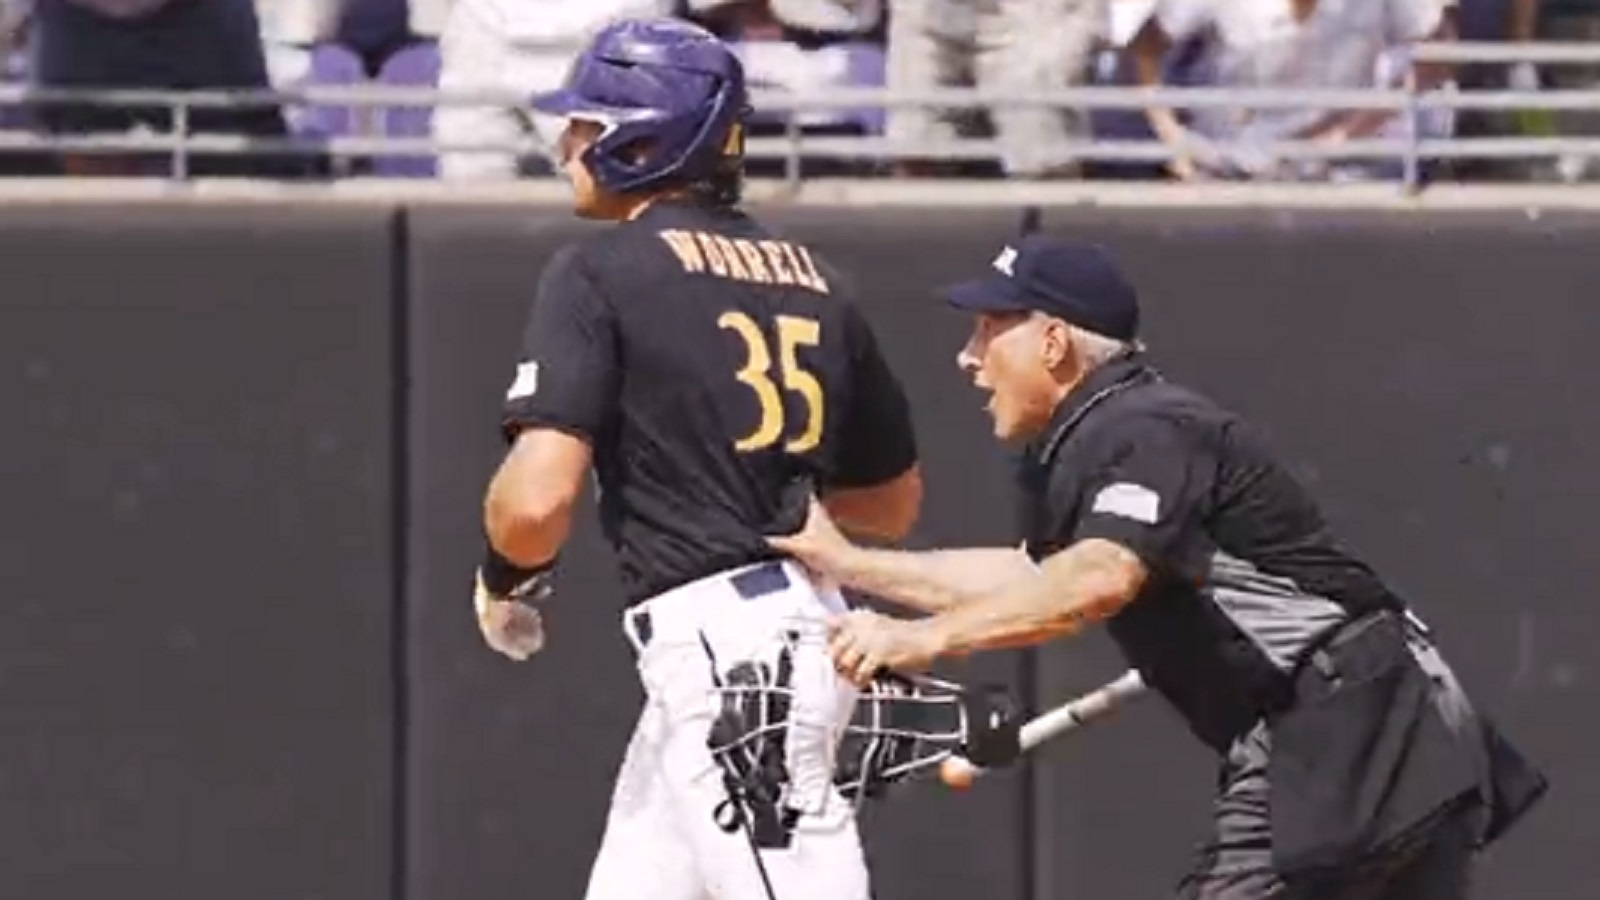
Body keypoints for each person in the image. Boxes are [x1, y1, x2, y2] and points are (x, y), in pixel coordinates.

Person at [769, 234, 1548, 899]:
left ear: (1052, 342)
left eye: (987, 331)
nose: (968, 359)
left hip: (1347, 733)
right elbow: (1037, 578)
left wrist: (921, 640)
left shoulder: (1141, 428)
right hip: (1395, 733)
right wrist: (851, 564)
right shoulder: (1107, 432)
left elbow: (1097, 581)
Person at [469, 17, 923, 900]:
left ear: (646, 137)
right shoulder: (816, 278)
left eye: (589, 123)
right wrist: (758, 494)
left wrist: (504, 580)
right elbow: (891, 503)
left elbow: (534, 503)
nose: (568, 139)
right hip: (779, 634)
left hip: (732, 656)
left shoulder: (599, 270)